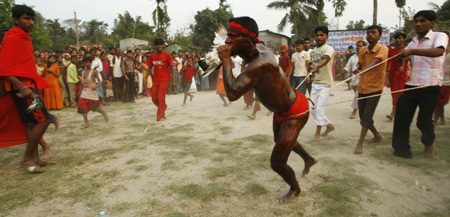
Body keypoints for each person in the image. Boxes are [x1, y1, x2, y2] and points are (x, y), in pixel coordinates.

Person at [217, 16, 317, 203]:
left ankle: (295, 189)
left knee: (277, 162)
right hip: (281, 110)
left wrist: (225, 61)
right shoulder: (254, 49)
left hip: (294, 112)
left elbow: (232, 94)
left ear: (247, 39)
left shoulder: (260, 62)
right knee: (279, 141)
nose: (227, 41)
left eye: (232, 36)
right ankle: (308, 159)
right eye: (227, 36)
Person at [0, 5, 59, 173]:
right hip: (23, 88)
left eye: (33, 19)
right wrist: (21, 86)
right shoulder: (12, 37)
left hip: (28, 85)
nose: (31, 22)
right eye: (27, 18)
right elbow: (3, 68)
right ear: (16, 19)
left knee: (32, 123)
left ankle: (36, 159)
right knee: (44, 120)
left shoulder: (23, 37)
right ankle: (27, 159)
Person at [393, 10, 449, 158]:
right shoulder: (413, 41)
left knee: (423, 121)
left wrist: (411, 51)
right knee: (401, 118)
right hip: (411, 85)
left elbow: (438, 52)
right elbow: (402, 60)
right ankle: (401, 150)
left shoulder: (439, 36)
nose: (418, 24)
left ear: (431, 23)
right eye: (416, 21)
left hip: (430, 85)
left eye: (422, 21)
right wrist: (401, 57)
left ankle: (429, 143)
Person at [352, 25, 388, 154]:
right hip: (362, 87)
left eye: (373, 32)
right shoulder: (362, 50)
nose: (370, 35)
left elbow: (376, 62)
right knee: (363, 116)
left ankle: (359, 143)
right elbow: (362, 65)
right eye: (368, 33)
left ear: (379, 36)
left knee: (366, 116)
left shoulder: (383, 49)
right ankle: (377, 135)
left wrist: (365, 68)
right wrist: (358, 69)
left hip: (375, 87)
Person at [309, 26, 335, 141]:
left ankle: (317, 133)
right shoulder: (313, 51)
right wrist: (311, 68)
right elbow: (311, 63)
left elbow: (325, 60)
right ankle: (329, 126)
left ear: (326, 37)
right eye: (317, 35)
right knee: (311, 108)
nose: (319, 37)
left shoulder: (328, 49)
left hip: (325, 83)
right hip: (315, 82)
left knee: (319, 108)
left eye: (322, 35)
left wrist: (317, 66)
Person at [145, 38, 174, 121]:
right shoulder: (152, 56)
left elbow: (172, 67)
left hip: (165, 79)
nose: (159, 46)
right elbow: (149, 67)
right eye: (158, 44)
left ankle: (159, 115)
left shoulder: (167, 55)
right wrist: (145, 77)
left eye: (161, 44)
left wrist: (174, 81)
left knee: (161, 97)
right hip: (156, 79)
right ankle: (163, 107)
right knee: (154, 98)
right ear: (155, 46)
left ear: (163, 45)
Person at [337, 40, 367, 119]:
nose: (358, 47)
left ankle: (354, 111)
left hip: (364, 80)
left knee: (357, 96)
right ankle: (362, 107)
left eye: (360, 46)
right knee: (359, 96)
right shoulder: (353, 57)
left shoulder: (367, 57)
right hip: (354, 81)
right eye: (357, 46)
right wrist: (340, 74)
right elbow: (347, 68)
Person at [77, 56, 109, 129]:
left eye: (89, 62)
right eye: (86, 63)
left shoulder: (94, 72)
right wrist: (80, 91)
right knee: (82, 107)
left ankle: (105, 114)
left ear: (91, 63)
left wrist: (96, 86)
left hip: (92, 92)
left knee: (96, 107)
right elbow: (82, 83)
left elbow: (100, 81)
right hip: (84, 92)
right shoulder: (82, 72)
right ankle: (86, 123)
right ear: (83, 63)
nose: (88, 64)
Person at [386, 32, 408, 121]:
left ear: (403, 40)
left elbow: (412, 62)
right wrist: (386, 75)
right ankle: (397, 111)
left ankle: (393, 113)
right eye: (396, 38)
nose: (397, 40)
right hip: (392, 74)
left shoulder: (406, 50)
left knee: (399, 93)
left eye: (400, 38)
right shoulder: (391, 51)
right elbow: (387, 62)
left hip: (402, 74)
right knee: (394, 93)